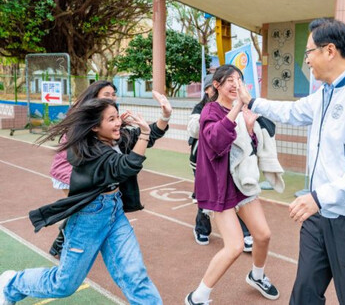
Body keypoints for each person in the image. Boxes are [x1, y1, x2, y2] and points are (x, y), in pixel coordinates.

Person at [239, 18, 345, 305]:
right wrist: (252, 102)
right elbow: (293, 112)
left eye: (309, 51)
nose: (306, 59)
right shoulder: (326, 92)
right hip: (319, 215)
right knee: (305, 293)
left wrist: (320, 197)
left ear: (329, 51)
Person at [0, 91, 172, 305]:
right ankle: (11, 284)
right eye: (112, 119)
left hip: (114, 212)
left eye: (118, 116)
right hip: (88, 218)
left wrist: (164, 116)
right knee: (64, 285)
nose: (119, 122)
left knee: (135, 276)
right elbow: (125, 167)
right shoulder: (89, 152)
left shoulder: (116, 137)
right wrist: (144, 134)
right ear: (94, 127)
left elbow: (151, 135)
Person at [185, 64, 279, 305]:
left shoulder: (245, 110)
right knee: (235, 246)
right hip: (219, 186)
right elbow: (216, 141)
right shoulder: (210, 110)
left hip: (242, 183)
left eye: (239, 79)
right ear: (217, 85)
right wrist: (238, 108)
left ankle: (257, 276)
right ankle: (198, 296)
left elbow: (249, 148)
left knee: (263, 235)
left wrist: (250, 129)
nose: (236, 84)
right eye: (230, 80)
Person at [48, 80, 118, 258]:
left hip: (80, 171)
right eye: (106, 95)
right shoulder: (87, 117)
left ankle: (61, 243)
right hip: (68, 172)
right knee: (83, 210)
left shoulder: (101, 114)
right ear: (95, 96)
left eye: (113, 94)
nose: (112, 98)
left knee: (81, 209)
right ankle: (65, 245)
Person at [188, 74, 253, 251]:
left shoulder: (232, 106)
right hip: (202, 161)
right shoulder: (203, 108)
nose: (234, 86)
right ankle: (202, 228)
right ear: (212, 88)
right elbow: (197, 130)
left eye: (237, 82)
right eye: (230, 82)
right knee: (209, 198)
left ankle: (245, 233)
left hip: (227, 162)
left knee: (235, 196)